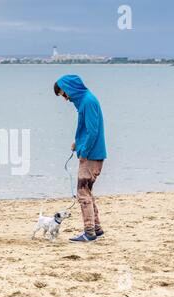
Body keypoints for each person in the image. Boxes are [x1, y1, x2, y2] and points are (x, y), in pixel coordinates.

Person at [53, 75, 107, 242]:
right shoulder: (84, 101)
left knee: (82, 193)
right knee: (87, 192)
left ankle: (89, 232)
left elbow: (93, 131)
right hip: (90, 152)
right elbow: (87, 131)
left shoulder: (88, 101)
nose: (65, 98)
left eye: (64, 94)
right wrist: (77, 143)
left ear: (70, 89)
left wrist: (83, 152)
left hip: (91, 155)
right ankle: (96, 229)